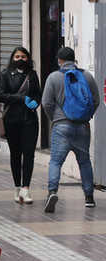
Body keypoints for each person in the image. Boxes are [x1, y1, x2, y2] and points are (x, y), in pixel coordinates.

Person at [41, 47, 100, 213]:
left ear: (59, 60)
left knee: (56, 162)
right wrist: (86, 116)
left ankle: (52, 192)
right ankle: (89, 197)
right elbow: (96, 100)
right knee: (84, 161)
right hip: (82, 127)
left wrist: (55, 118)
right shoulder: (87, 76)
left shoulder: (53, 77)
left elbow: (46, 103)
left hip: (61, 126)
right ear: (74, 59)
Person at [0, 47, 42, 205]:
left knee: (29, 154)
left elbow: (38, 93)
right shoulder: (5, 74)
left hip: (29, 120)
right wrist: (20, 98)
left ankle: (26, 188)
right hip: (12, 121)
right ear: (12, 58)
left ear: (28, 58)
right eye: (17, 56)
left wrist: (35, 102)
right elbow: (0, 95)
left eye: (23, 56)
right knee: (15, 155)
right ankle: (17, 187)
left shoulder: (32, 74)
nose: (20, 59)